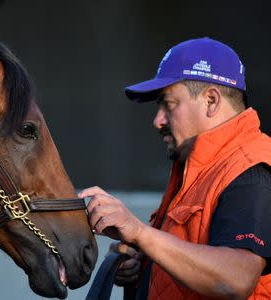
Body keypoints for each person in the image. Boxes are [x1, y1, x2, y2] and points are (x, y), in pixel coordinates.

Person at [80, 37, 271, 299]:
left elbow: (236, 278)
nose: (157, 121)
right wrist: (145, 262)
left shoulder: (250, 169)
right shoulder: (199, 169)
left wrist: (141, 233)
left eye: (168, 104)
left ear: (211, 101)